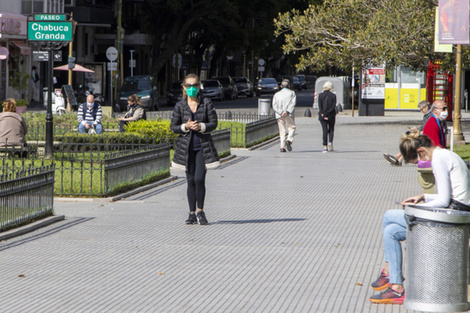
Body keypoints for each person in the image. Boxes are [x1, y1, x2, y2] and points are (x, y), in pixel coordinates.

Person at [369, 130, 470, 304]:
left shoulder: (438, 159)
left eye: (417, 160)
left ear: (421, 151)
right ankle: (396, 286)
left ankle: (389, 275)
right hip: (455, 213)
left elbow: (444, 200)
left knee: (389, 215)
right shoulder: (444, 154)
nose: (422, 163)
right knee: (391, 230)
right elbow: (447, 197)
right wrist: (423, 197)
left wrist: (417, 208)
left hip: (453, 217)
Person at [170, 73, 220, 225]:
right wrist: (185, 126)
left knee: (199, 179)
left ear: (199, 86)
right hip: (186, 149)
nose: (192, 88)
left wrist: (201, 126)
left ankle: (201, 211)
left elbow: (213, 123)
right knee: (190, 180)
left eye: (195, 85)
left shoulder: (206, 103)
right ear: (184, 88)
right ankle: (191, 213)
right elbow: (173, 127)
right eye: (189, 86)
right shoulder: (180, 105)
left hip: (202, 147)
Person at [383, 100, 432, 166]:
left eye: (421, 109)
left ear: (426, 107)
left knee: (410, 142)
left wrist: (417, 129)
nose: (421, 111)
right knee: (409, 140)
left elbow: (426, 126)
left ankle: (397, 158)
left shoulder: (431, 115)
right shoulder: (427, 115)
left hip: (428, 137)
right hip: (425, 135)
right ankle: (398, 159)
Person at [272, 79, 296, 152]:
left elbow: (274, 105)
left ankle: (282, 147)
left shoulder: (276, 94)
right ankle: (289, 139)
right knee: (292, 127)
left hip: (280, 115)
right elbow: (293, 103)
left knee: (282, 131)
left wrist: (281, 112)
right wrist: (287, 111)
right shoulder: (292, 93)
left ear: (281, 86)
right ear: (289, 86)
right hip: (289, 114)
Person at [318, 81, 337, 153]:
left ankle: (325, 147)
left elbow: (320, 106)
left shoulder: (320, 95)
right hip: (331, 115)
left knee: (324, 130)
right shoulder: (333, 95)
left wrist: (323, 114)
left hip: (322, 115)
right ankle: (330, 142)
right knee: (331, 129)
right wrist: (328, 114)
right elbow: (333, 106)